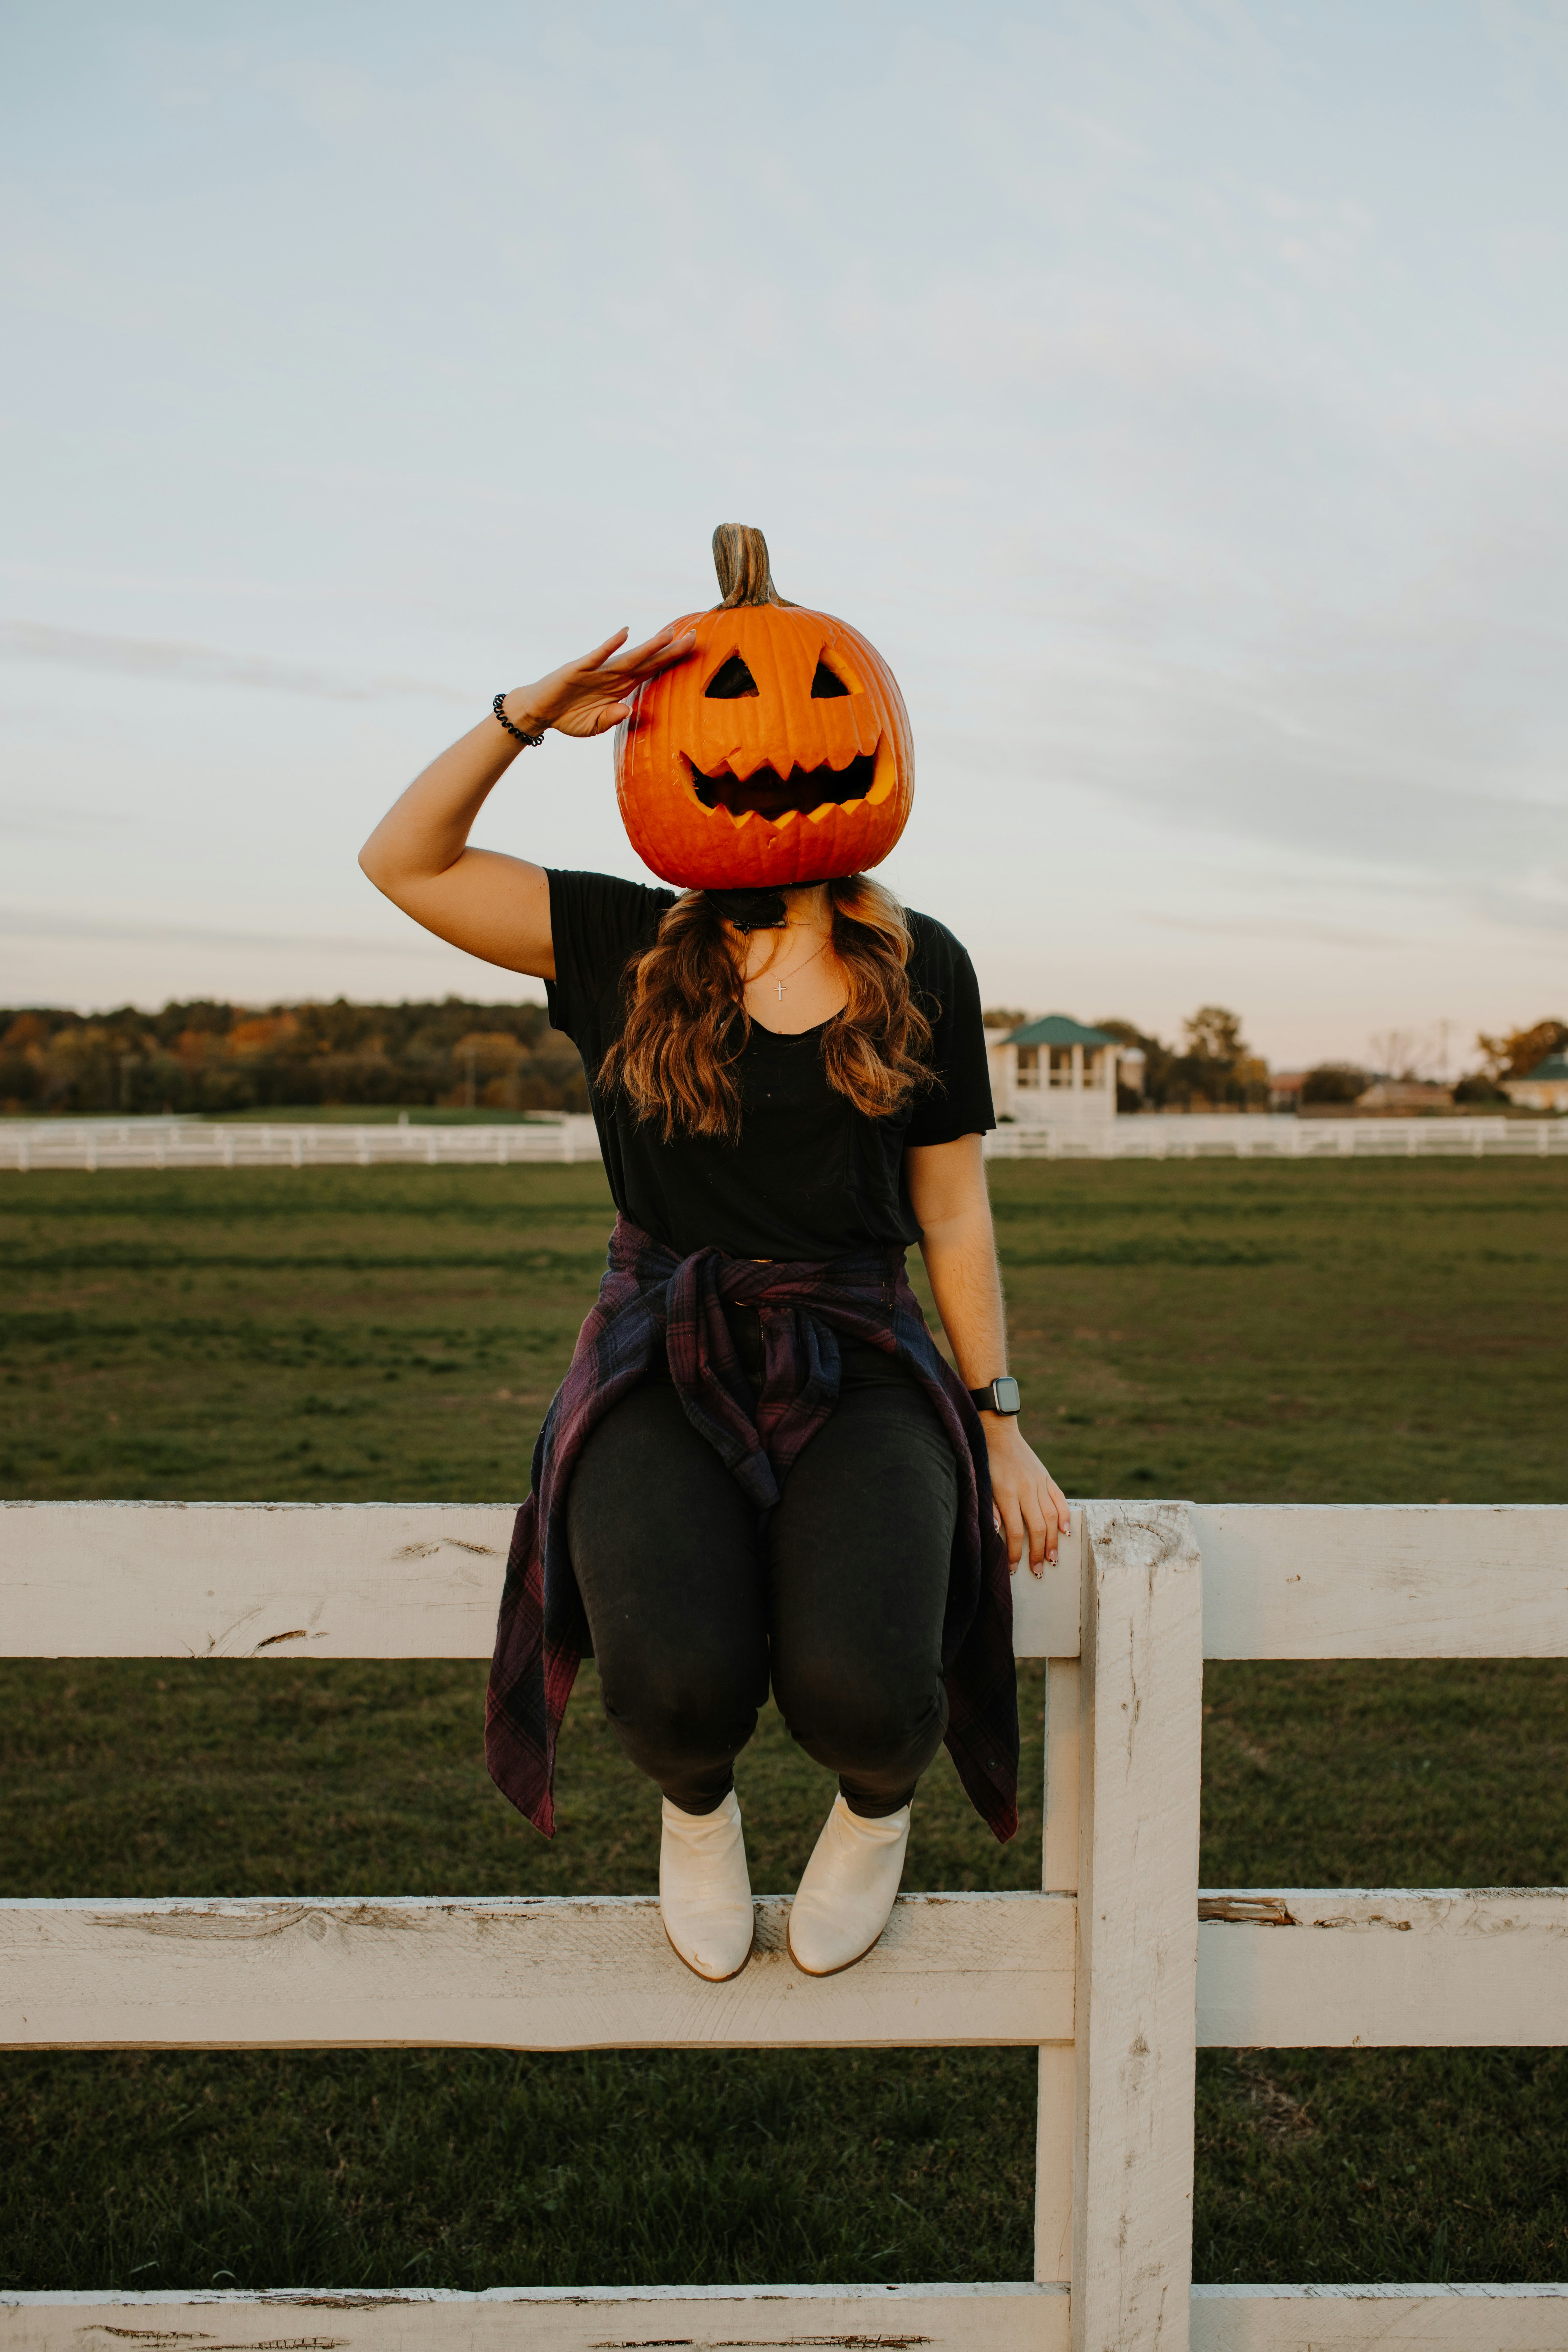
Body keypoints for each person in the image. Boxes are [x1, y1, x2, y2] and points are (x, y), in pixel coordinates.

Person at [359, 534, 1069, 1984]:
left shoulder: (920, 961)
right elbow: (402, 860)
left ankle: (877, 1813)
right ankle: (697, 1810)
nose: (770, 741)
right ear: (665, 755)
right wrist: (519, 719)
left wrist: (1000, 1424)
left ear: (866, 740)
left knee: (867, 1691)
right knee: (672, 1686)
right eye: (731, 700)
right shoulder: (617, 943)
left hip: (859, 1350)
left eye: (807, 703)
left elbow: (953, 1210)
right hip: (661, 1347)